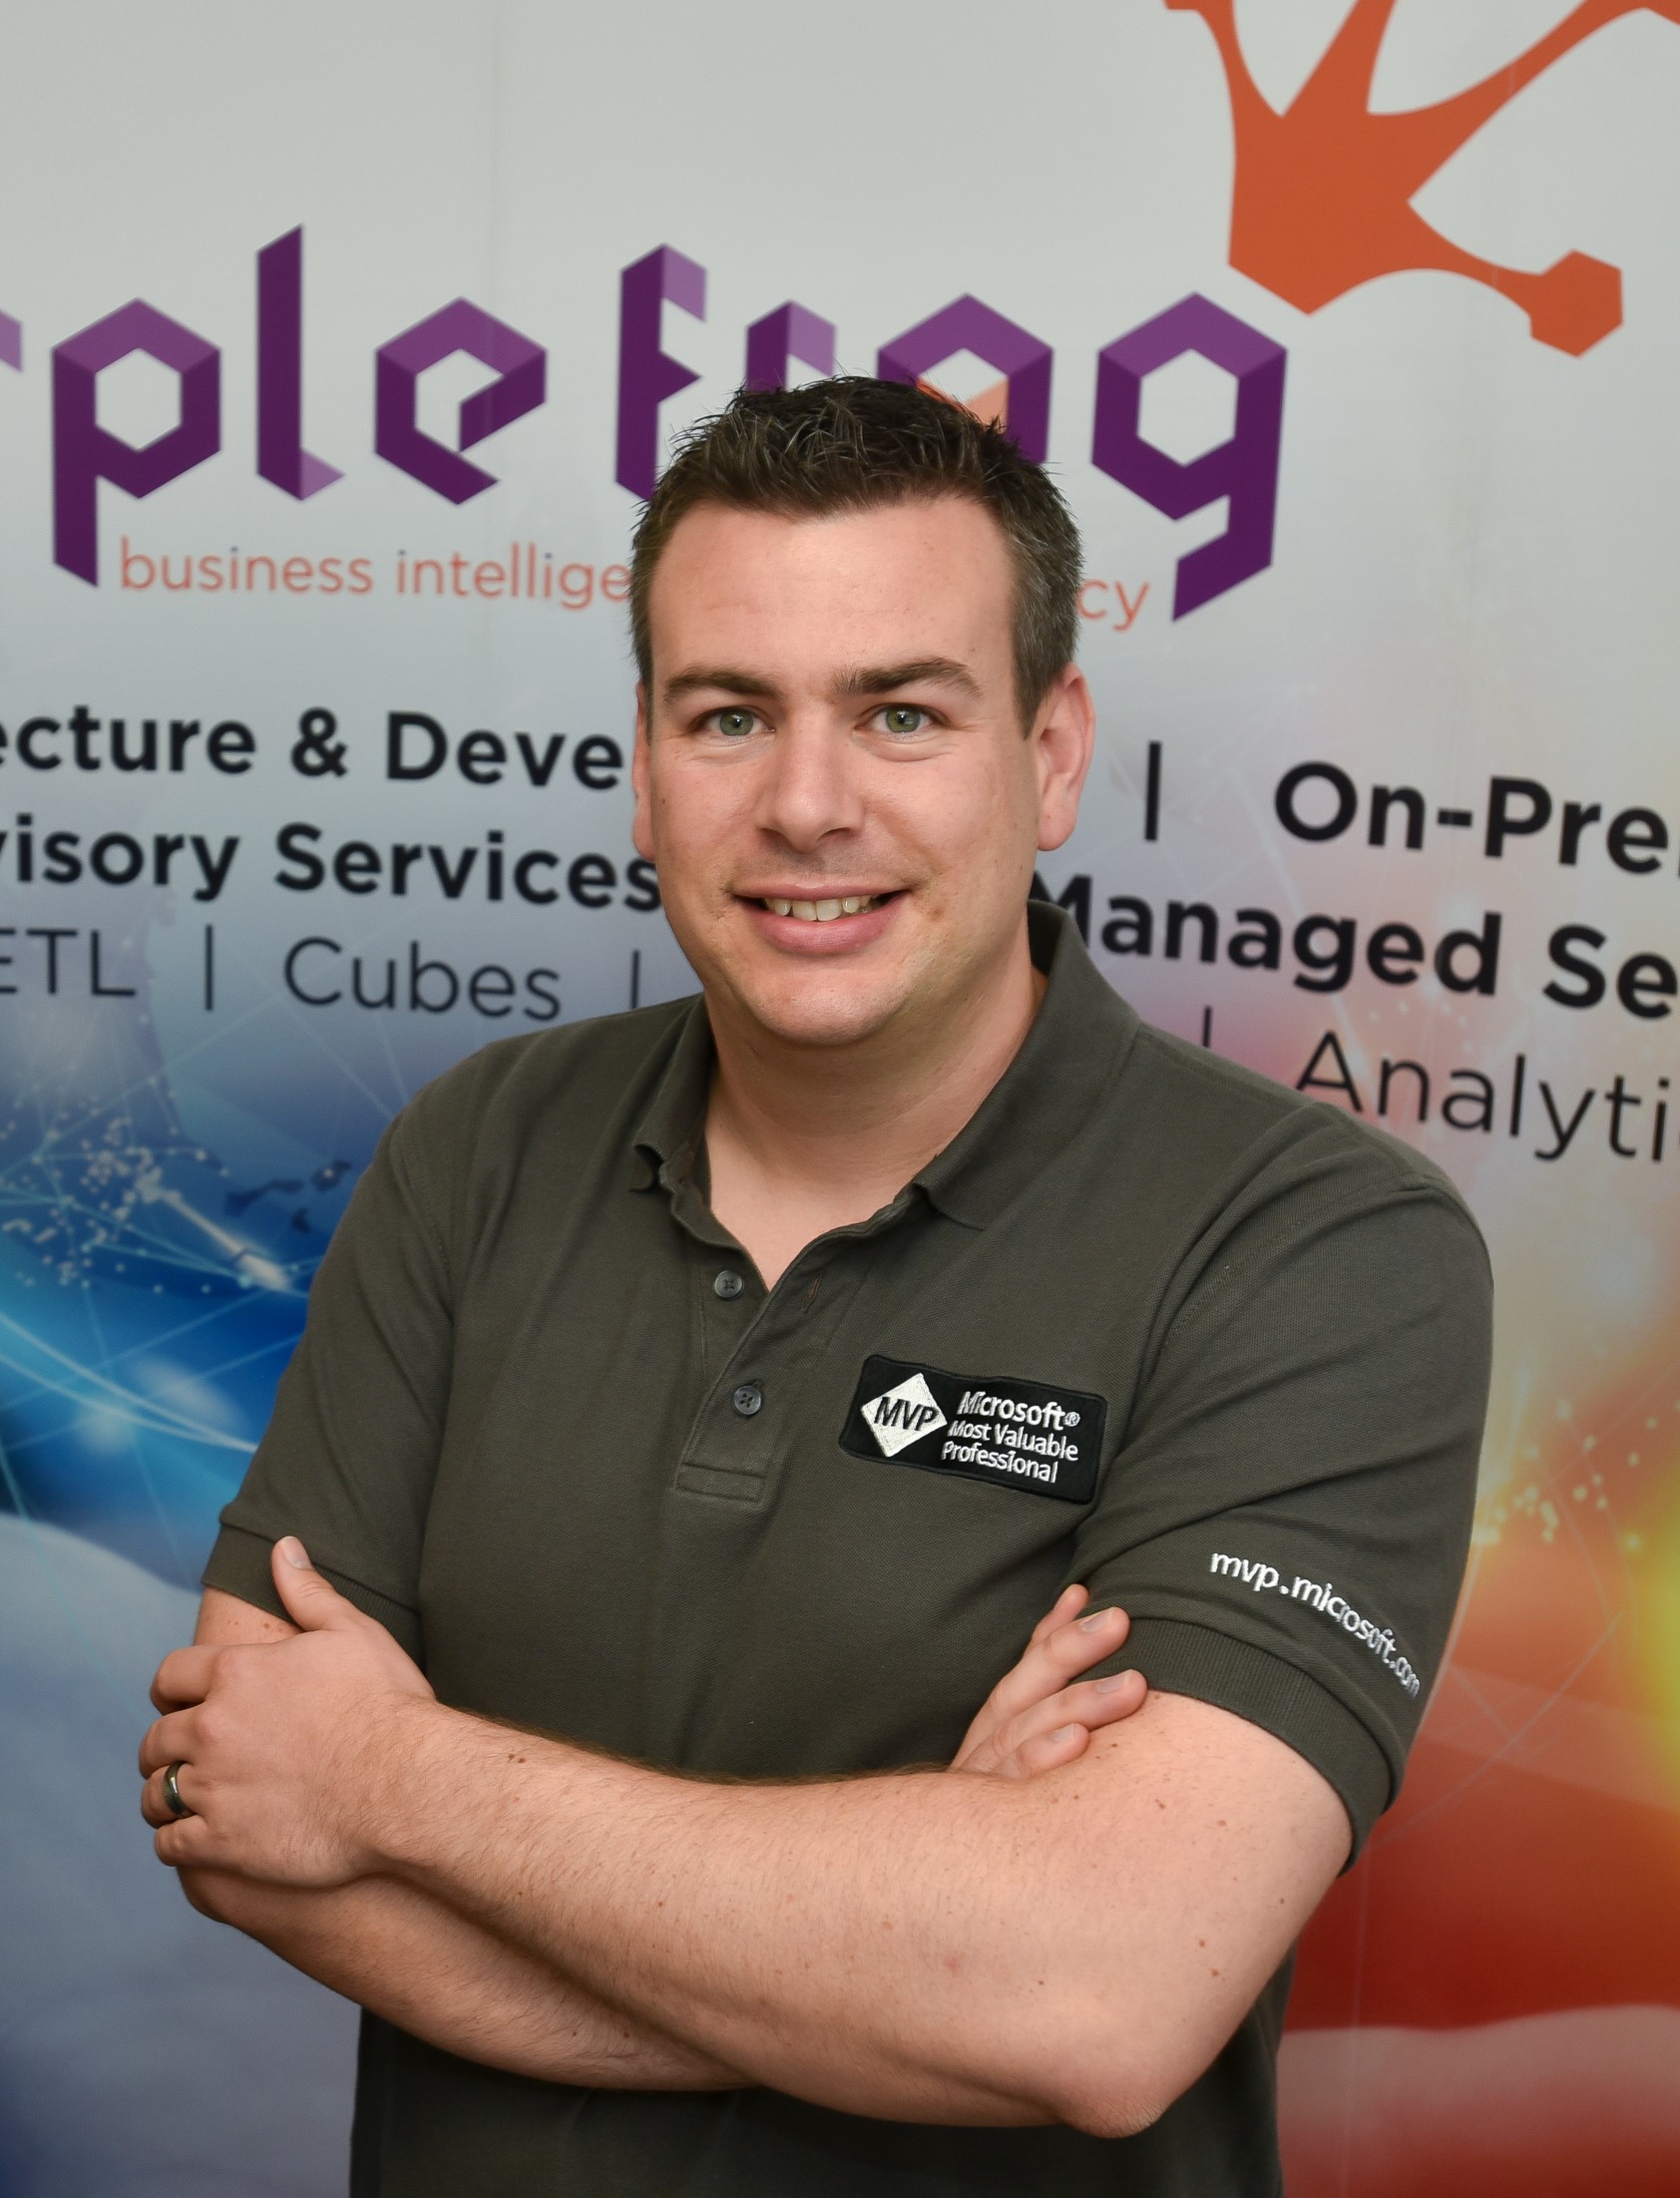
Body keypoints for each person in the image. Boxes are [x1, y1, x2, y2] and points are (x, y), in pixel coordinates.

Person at [140, 377, 1491, 2196]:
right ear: (645, 762)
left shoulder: (1320, 1245)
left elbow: (1097, 1996)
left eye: (901, 714)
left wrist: (391, 1781)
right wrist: (929, 1954)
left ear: (1053, 752)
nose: (805, 805)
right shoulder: (480, 1149)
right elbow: (237, 1809)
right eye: (729, 716)